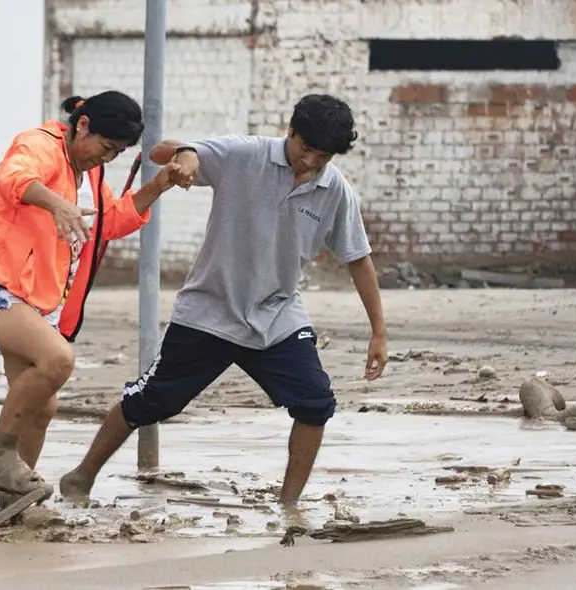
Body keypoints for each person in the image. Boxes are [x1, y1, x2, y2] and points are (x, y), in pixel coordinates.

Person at [59, 94, 388, 507]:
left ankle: (288, 508)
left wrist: (378, 332)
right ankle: (82, 476)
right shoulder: (245, 154)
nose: (309, 161)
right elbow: (161, 152)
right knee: (152, 400)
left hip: (276, 315)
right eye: (305, 148)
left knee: (315, 403)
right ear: (290, 131)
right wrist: (186, 155)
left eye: (322, 156)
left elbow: (358, 259)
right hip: (209, 312)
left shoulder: (334, 190)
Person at [0, 90, 183, 496]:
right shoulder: (40, 144)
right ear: (83, 125)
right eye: (106, 148)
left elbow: (109, 222)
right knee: (58, 359)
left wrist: (158, 186)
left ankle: (13, 498)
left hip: (38, 298)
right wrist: (57, 204)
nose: (107, 158)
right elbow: (12, 178)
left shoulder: (90, 175)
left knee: (42, 408)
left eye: (117, 153)